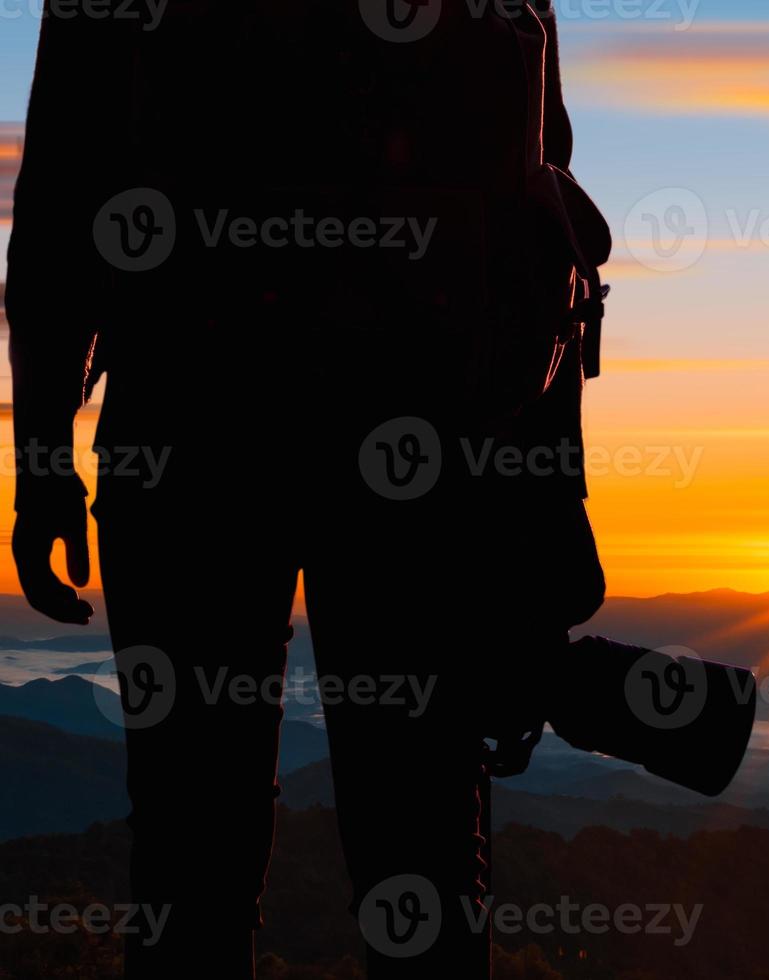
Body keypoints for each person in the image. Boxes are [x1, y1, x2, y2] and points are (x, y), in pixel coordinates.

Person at [7, 3, 605, 976]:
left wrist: (42, 462)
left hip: (191, 435)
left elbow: (62, 201)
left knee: (190, 860)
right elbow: (542, 215)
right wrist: (540, 493)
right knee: (422, 853)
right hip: (420, 447)